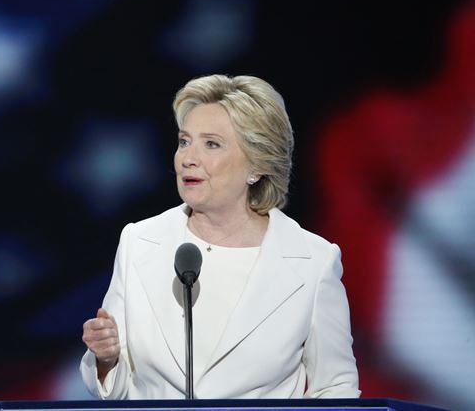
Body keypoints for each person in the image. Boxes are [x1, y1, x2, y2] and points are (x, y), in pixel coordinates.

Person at [79, 74, 360, 399]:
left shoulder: (313, 261)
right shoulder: (139, 242)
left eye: (211, 144)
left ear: (257, 164)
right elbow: (119, 388)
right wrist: (106, 359)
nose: (188, 158)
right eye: (185, 141)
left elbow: (336, 388)